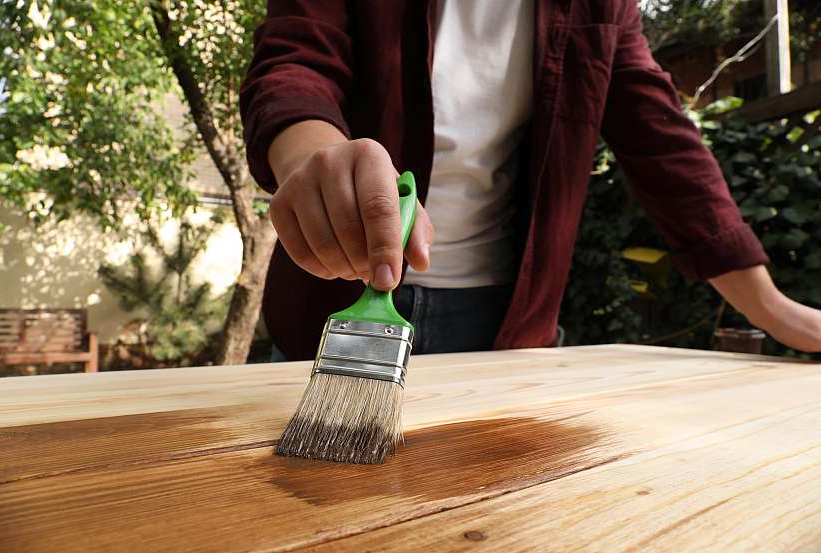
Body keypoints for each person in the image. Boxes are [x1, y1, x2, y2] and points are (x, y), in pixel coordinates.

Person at [239, 0, 821, 361]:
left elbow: (664, 144)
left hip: (507, 329)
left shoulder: (608, 5)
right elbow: (296, 60)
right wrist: (314, 156)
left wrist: (771, 308)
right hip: (329, 307)